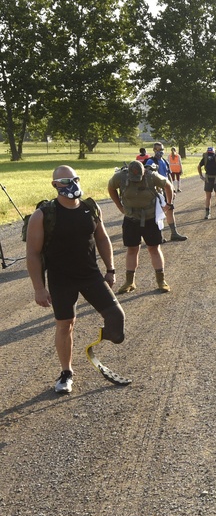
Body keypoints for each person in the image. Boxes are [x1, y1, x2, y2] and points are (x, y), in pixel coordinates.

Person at [27, 166, 125, 394]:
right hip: (61, 280)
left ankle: (94, 346)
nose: (71, 183)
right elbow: (32, 253)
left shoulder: (90, 208)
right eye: (64, 180)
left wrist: (110, 269)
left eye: (74, 178)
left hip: (90, 275)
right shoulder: (43, 215)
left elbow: (102, 239)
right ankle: (66, 373)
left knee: (116, 318)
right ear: (54, 185)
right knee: (65, 325)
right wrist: (39, 288)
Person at [108, 159, 174, 294]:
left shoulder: (152, 176)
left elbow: (168, 185)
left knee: (154, 249)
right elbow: (111, 188)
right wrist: (119, 206)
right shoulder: (120, 177)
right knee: (132, 249)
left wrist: (168, 204)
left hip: (150, 219)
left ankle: (161, 280)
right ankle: (129, 282)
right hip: (131, 220)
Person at [145, 142, 187, 241]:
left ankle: (174, 233)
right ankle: (159, 236)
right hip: (157, 191)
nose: (161, 152)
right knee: (158, 213)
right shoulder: (150, 162)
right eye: (159, 150)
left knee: (170, 210)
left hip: (166, 190)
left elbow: (169, 176)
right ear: (154, 150)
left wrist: (172, 189)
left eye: (162, 149)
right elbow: (147, 176)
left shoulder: (164, 161)